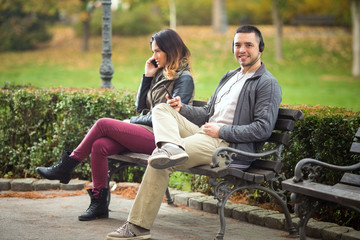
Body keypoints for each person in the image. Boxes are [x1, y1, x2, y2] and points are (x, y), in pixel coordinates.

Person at [106, 25, 282, 240]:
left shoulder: (266, 84)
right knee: (163, 108)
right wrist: (182, 108)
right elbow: (208, 112)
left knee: (159, 161)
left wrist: (222, 130)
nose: (242, 50)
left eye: (248, 45)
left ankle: (138, 226)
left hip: (227, 147)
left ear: (260, 48)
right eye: (237, 45)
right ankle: (171, 148)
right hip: (206, 134)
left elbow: (263, 128)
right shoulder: (230, 76)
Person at [36, 29, 195, 221]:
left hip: (163, 139)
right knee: (99, 146)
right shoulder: (160, 74)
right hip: (145, 132)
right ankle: (99, 204)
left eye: (158, 51)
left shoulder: (184, 79)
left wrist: (131, 122)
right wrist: (147, 76)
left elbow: (169, 116)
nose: (154, 56)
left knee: (103, 124)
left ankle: (68, 165)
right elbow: (139, 107)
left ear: (171, 50)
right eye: (153, 51)